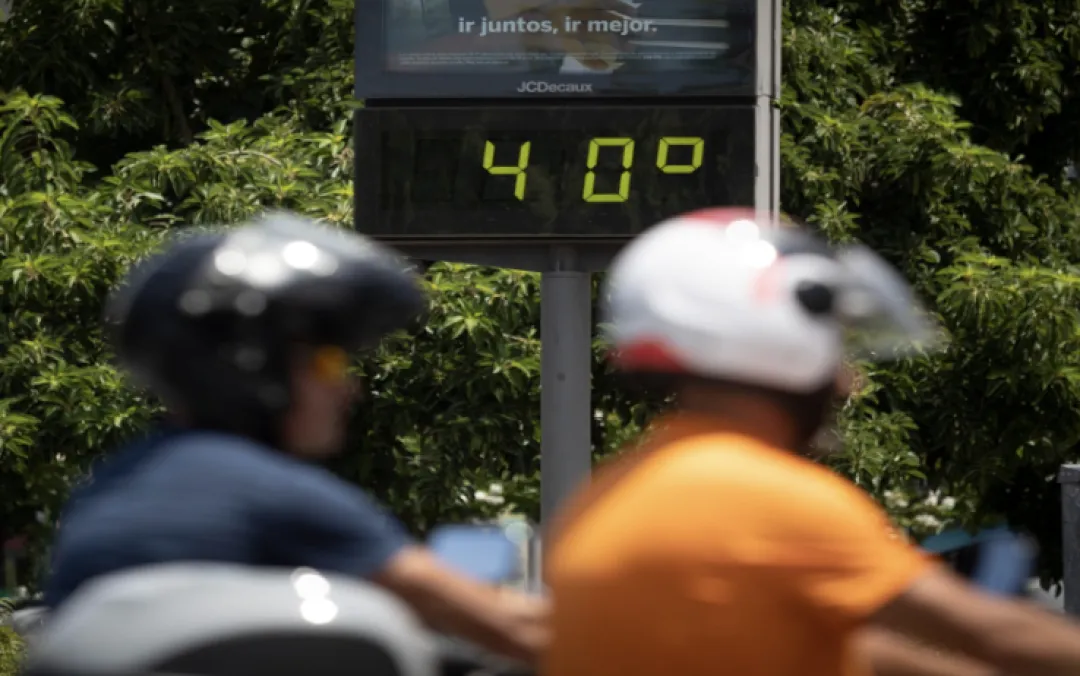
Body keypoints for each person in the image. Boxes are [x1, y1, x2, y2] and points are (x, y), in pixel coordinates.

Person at [543, 207, 1080, 676]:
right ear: (778, 338)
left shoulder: (613, 490)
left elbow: (813, 647)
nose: (848, 382)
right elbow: (992, 632)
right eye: (835, 346)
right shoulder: (768, 500)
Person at [42, 212, 547, 664]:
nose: (350, 387)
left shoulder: (109, 485)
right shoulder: (272, 493)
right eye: (328, 361)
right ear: (251, 365)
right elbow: (516, 629)